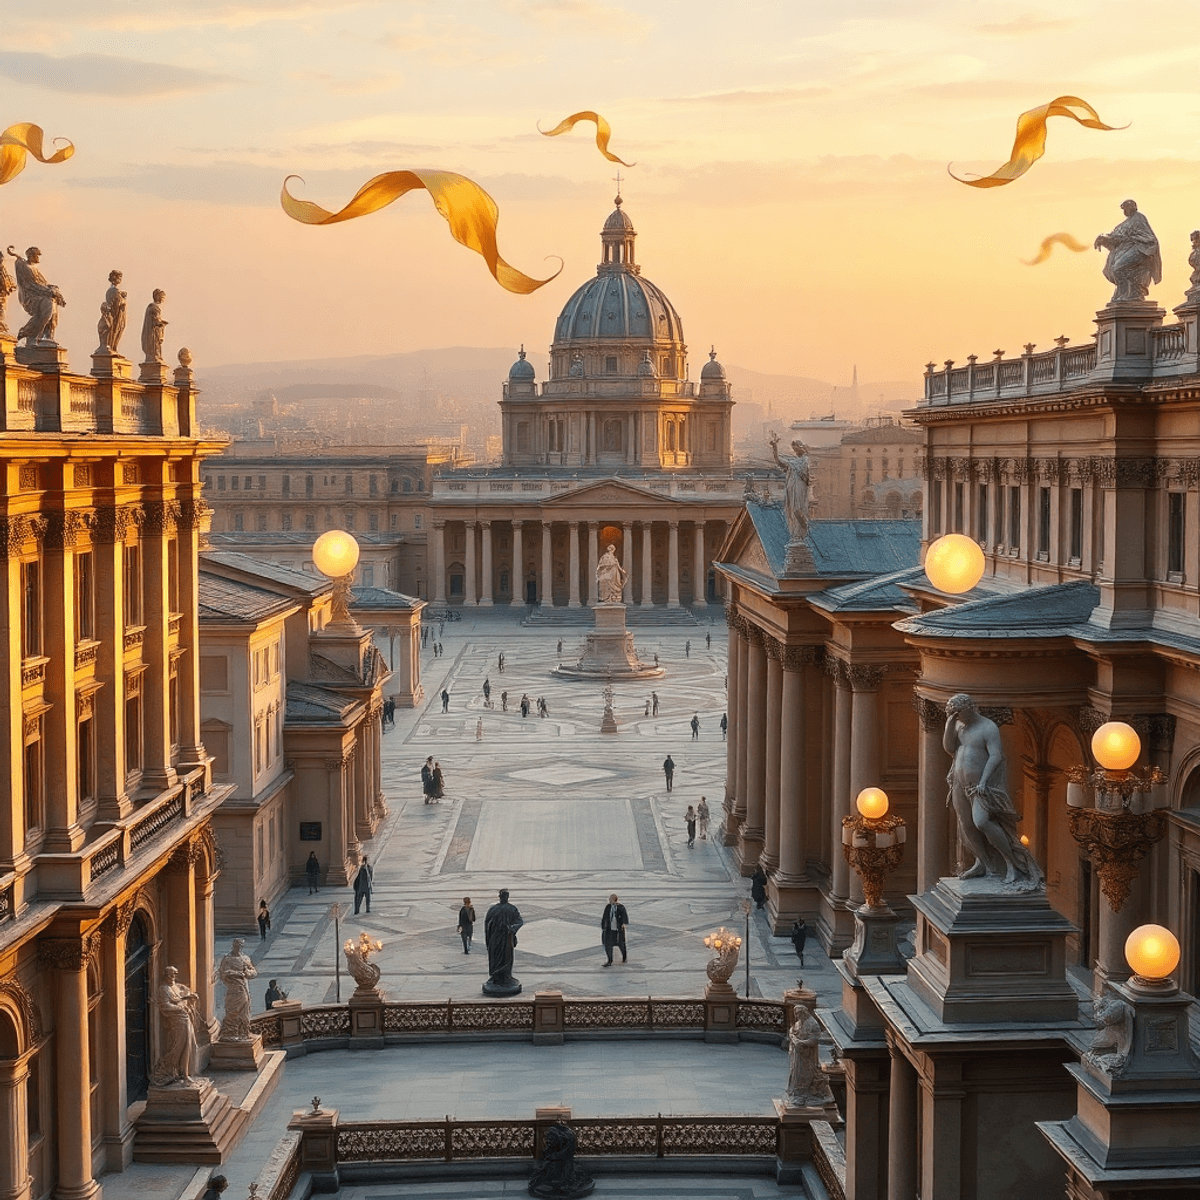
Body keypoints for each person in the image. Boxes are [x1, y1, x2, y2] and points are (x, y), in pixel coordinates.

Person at [943, 693, 1042, 887]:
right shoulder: (959, 724)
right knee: (966, 826)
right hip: (959, 783)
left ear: (969, 709)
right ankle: (984, 863)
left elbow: (996, 756)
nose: (958, 718)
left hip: (981, 786)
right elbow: (949, 748)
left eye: (959, 714)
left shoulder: (987, 727)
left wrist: (983, 781)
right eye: (954, 715)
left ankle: (1011, 863)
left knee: (981, 822)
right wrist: (949, 725)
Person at [1094, 198, 1162, 303]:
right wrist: (1103, 238)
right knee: (1114, 268)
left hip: (1141, 249)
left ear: (1132, 207)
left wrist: (1128, 238)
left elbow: (1148, 238)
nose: (1124, 211)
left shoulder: (1139, 218)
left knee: (1118, 268)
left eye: (1126, 208)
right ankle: (1124, 293)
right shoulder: (1125, 223)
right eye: (1123, 209)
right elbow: (1115, 235)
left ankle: (1131, 293)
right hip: (1127, 249)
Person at [149, 965, 199, 1085]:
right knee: (177, 1048)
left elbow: (186, 993)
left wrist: (191, 996)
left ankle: (185, 1074)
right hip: (176, 1022)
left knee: (188, 1046)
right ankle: (169, 1071)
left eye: (175, 974)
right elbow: (165, 1006)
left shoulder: (177, 987)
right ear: (165, 975)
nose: (173, 976)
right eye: (171, 974)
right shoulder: (163, 989)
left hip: (185, 1020)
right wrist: (181, 1008)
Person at [769, 431, 811, 544]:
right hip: (791, 488)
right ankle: (796, 534)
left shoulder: (805, 461)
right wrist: (775, 447)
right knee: (791, 510)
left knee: (798, 510)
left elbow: (806, 475)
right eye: (794, 448)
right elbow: (778, 461)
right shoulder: (792, 462)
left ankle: (804, 530)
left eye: (797, 447)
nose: (795, 450)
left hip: (800, 488)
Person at [484, 889, 524, 990]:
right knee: (503, 957)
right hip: (504, 937)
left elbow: (487, 925)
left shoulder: (494, 909)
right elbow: (519, 921)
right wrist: (512, 929)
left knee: (503, 957)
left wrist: (511, 929)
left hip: (500, 938)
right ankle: (499, 977)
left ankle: (504, 977)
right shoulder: (509, 908)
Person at [217, 939, 256, 1040]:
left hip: (243, 988)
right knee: (232, 1010)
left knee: (244, 1011)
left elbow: (253, 972)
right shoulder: (227, 958)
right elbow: (222, 973)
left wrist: (247, 973)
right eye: (237, 945)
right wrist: (233, 974)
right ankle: (231, 1033)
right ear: (233, 945)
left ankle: (244, 1032)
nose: (239, 948)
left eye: (241, 946)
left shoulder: (245, 958)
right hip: (233, 989)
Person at [600, 893, 628, 965]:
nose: (609, 900)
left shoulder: (621, 907)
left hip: (618, 930)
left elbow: (624, 916)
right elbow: (604, 917)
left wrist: (623, 923)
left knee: (621, 944)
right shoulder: (608, 907)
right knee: (608, 944)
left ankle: (624, 956)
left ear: (614, 899)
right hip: (609, 929)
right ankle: (609, 960)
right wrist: (603, 926)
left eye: (610, 898)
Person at [141, 288, 168, 362]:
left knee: (156, 345)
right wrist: (161, 323)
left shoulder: (153, 307)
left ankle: (156, 356)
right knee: (154, 344)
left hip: (154, 331)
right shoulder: (154, 307)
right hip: (152, 331)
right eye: (161, 298)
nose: (162, 300)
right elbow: (156, 320)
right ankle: (154, 356)